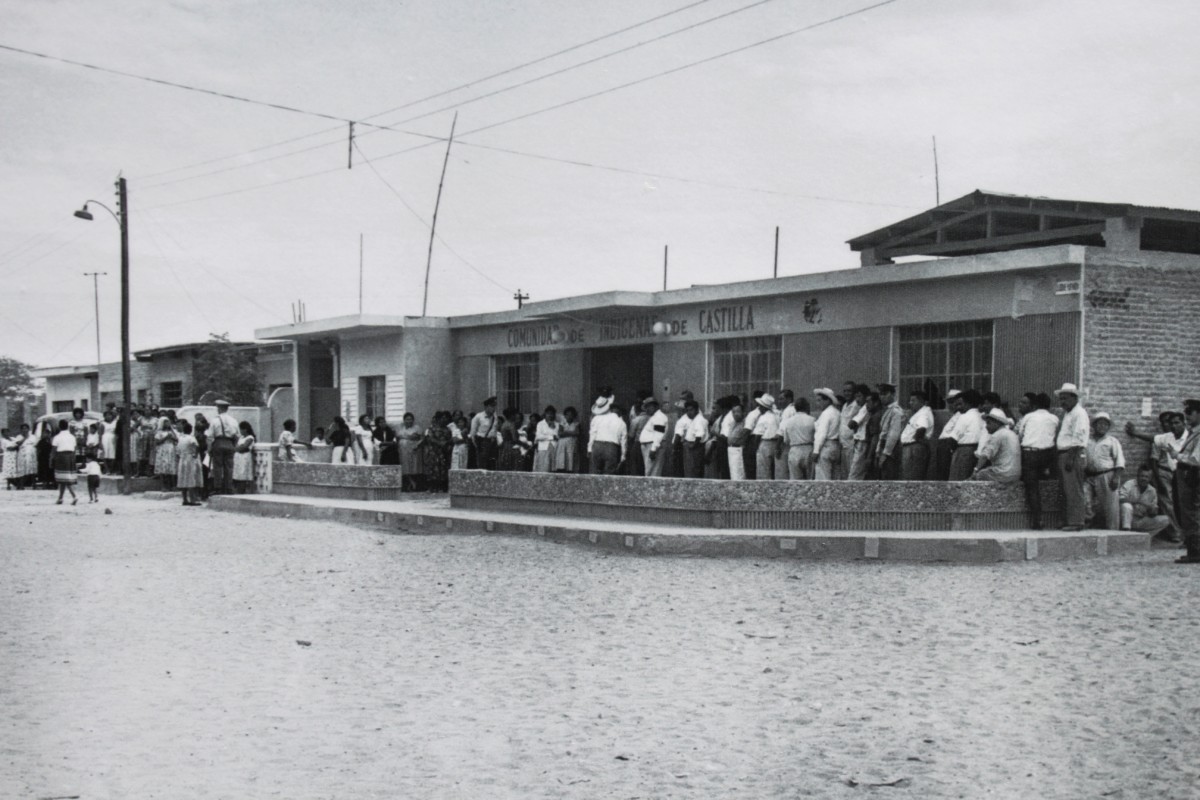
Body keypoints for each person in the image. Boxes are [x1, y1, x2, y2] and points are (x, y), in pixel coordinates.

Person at [1017, 391, 1060, 530]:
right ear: (1049, 406)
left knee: (1032, 488)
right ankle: (1055, 518)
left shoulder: (1028, 417)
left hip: (1029, 454)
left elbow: (1020, 435)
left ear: (1034, 405)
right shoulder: (1054, 418)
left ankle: (1038, 520)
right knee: (1048, 482)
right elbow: (1056, 437)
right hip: (1047, 455)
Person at [1055, 383, 1090, 532]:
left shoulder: (1079, 413)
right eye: (1061, 399)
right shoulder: (1068, 414)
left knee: (1073, 488)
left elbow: (1078, 436)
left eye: (1065, 398)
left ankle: (1076, 521)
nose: (1062, 402)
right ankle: (1068, 520)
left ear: (1074, 398)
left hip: (1072, 453)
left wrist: (1071, 458)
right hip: (1064, 453)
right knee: (1066, 489)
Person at [1084, 412, 1125, 530]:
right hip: (1089, 476)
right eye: (1099, 423)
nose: (1102, 426)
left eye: (1105, 424)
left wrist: (1116, 477)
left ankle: (1113, 531)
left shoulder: (1112, 441)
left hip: (1107, 475)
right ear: (1094, 425)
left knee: (1110, 506)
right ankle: (1087, 528)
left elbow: (1119, 460)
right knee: (1085, 501)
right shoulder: (1087, 440)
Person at [1173, 399, 1200, 563]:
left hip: (1192, 475)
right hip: (1187, 475)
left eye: (1190, 412)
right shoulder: (1193, 432)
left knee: (1191, 512)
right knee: (1187, 512)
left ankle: (1195, 551)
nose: (1187, 416)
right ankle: (1193, 549)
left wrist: (1177, 456)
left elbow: (1196, 459)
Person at [1120, 465, 1171, 538]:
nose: (1144, 479)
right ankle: (1126, 534)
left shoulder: (1152, 491)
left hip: (1141, 519)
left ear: (1150, 478)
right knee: (1126, 506)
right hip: (1127, 519)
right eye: (1142, 476)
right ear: (1137, 476)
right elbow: (1120, 499)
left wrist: (1152, 510)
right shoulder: (1129, 484)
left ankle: (1143, 538)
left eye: (1146, 477)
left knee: (1166, 519)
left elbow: (1153, 513)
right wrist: (1141, 502)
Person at [972, 409, 1021, 484]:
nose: (986, 426)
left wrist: (976, 469)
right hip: (1016, 474)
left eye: (989, 423)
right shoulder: (1011, 433)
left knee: (980, 475)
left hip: (1004, 474)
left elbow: (985, 456)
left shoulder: (997, 435)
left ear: (997, 423)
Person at [948, 389, 984, 480]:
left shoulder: (964, 417)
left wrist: (952, 451)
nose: (958, 408)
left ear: (969, 403)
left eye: (961, 404)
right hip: (978, 450)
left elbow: (953, 439)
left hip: (963, 451)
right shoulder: (982, 416)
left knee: (958, 478)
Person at [588, 393, 626, 475]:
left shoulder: (596, 419)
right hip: (612, 447)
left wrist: (589, 449)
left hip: (597, 445)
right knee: (609, 473)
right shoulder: (621, 422)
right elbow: (624, 441)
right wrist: (623, 456)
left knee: (595, 472)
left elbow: (592, 434)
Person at [900, 390, 933, 481]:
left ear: (921, 401)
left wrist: (915, 441)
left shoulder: (923, 413)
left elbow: (922, 428)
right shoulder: (919, 413)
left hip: (914, 447)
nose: (910, 403)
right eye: (910, 400)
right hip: (913, 446)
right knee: (909, 475)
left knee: (912, 476)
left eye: (913, 400)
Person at [208, 399, 240, 494]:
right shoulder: (233, 420)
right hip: (230, 443)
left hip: (218, 442)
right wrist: (233, 445)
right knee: (229, 467)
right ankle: (228, 487)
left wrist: (209, 448)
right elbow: (237, 435)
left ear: (220, 409)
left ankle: (218, 487)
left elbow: (210, 436)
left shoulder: (215, 420)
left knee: (218, 466)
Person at [874, 383, 905, 480]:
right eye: (880, 394)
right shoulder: (888, 410)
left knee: (889, 477)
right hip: (883, 447)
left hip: (891, 450)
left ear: (892, 394)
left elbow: (893, 435)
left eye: (884, 394)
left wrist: (885, 453)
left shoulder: (896, 411)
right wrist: (878, 450)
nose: (882, 397)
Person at [780, 397, 815, 480]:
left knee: (795, 478)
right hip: (808, 448)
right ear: (806, 407)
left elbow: (786, 439)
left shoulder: (789, 421)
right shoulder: (812, 420)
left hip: (794, 449)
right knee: (810, 478)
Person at [932, 389, 964, 480]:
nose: (950, 405)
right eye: (949, 402)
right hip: (943, 445)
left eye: (952, 402)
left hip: (948, 445)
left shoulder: (961, 416)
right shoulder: (954, 416)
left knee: (945, 473)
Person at [811, 388, 842, 481]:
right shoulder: (837, 412)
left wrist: (816, 451)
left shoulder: (826, 414)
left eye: (820, 400)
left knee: (823, 477)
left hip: (826, 446)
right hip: (836, 446)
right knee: (835, 477)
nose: (818, 403)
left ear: (828, 400)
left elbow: (821, 433)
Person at [421, 412, 453, 491]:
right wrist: (440, 443)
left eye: (446, 418)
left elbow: (450, 439)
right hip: (434, 452)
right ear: (438, 419)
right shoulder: (432, 428)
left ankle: (442, 486)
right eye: (443, 418)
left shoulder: (448, 429)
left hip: (444, 452)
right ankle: (433, 486)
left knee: (443, 468)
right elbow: (430, 438)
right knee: (434, 469)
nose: (444, 420)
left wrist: (447, 444)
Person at [837, 381, 862, 480]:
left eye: (849, 391)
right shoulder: (844, 405)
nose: (846, 393)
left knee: (852, 475)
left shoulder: (857, 405)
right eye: (845, 391)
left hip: (852, 446)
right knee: (844, 475)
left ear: (854, 392)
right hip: (843, 445)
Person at [751, 393, 779, 481]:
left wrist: (754, 448)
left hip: (765, 443)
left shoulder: (763, 417)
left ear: (763, 407)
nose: (759, 408)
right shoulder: (776, 416)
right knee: (774, 469)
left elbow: (758, 435)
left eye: (760, 406)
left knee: (763, 469)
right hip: (775, 443)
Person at [176, 419, 204, 506]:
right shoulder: (191, 438)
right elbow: (196, 445)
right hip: (190, 459)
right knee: (191, 478)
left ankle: (185, 499)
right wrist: (195, 454)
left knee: (183, 478)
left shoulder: (181, 438)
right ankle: (192, 499)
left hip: (182, 458)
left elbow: (177, 451)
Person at [468, 397, 502, 470]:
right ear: (486, 406)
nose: (494, 408)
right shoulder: (478, 417)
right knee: (482, 464)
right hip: (482, 442)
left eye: (495, 406)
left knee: (492, 464)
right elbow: (473, 433)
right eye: (492, 406)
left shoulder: (495, 417)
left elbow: (495, 430)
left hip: (493, 442)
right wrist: (477, 446)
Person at [638, 397, 669, 477]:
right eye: (646, 407)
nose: (647, 409)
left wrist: (653, 449)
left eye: (649, 406)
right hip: (649, 445)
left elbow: (659, 433)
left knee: (652, 471)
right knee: (650, 470)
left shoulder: (659, 417)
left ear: (655, 406)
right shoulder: (655, 417)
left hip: (653, 445)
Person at [51, 420, 79, 505]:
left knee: (65, 479)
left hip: (61, 457)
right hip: (71, 457)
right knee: (63, 479)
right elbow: (75, 449)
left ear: (59, 427)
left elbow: (54, 450)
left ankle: (74, 496)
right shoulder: (72, 437)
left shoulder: (57, 437)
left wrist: (51, 460)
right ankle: (60, 498)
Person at [679, 399, 709, 479]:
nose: (689, 412)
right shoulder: (694, 419)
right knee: (689, 470)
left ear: (696, 410)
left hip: (695, 447)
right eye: (687, 410)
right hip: (691, 446)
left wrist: (693, 446)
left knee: (693, 470)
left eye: (691, 410)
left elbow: (699, 434)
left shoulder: (699, 420)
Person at [154, 417, 179, 491]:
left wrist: (172, 437)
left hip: (171, 449)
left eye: (168, 422)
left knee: (172, 466)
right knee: (163, 467)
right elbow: (157, 442)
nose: (168, 424)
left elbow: (177, 440)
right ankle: (164, 486)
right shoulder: (159, 432)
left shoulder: (173, 431)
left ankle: (173, 485)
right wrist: (166, 437)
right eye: (166, 422)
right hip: (163, 449)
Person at [232, 421, 256, 493]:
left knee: (243, 474)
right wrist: (238, 448)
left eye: (241, 429)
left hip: (245, 458)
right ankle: (238, 490)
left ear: (245, 429)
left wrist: (238, 448)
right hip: (238, 458)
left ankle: (242, 491)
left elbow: (244, 447)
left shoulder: (250, 437)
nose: (240, 431)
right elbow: (237, 447)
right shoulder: (241, 437)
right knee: (237, 474)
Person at [534, 406, 560, 473]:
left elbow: (558, 436)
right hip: (543, 448)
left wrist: (551, 431)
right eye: (548, 413)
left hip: (554, 447)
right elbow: (538, 436)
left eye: (552, 414)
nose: (550, 415)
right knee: (543, 468)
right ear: (545, 414)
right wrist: (551, 437)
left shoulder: (557, 424)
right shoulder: (540, 424)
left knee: (553, 468)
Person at [555, 407, 580, 474]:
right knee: (562, 459)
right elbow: (560, 433)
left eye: (571, 415)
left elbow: (577, 433)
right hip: (562, 445)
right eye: (567, 414)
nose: (569, 416)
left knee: (570, 459)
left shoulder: (576, 424)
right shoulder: (562, 423)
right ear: (565, 415)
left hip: (572, 444)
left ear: (574, 416)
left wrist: (565, 432)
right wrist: (571, 433)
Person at [726, 403, 748, 480]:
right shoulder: (733, 423)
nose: (735, 414)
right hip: (731, 449)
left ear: (743, 412)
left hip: (739, 449)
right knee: (733, 472)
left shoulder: (745, 423)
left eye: (738, 411)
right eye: (733, 412)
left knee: (739, 473)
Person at [193, 413, 211, 500]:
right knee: (204, 474)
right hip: (204, 455)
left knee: (201, 473)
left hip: (201, 455)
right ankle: (203, 493)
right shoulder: (205, 436)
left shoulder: (200, 437)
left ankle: (201, 493)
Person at [17, 423, 38, 489]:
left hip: (31, 453)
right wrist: (25, 438)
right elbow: (18, 443)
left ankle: (34, 484)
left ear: (28, 429)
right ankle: (21, 485)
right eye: (23, 429)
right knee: (22, 468)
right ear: (21, 430)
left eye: (26, 428)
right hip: (22, 453)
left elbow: (35, 444)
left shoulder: (33, 436)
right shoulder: (19, 436)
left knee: (32, 468)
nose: (24, 430)